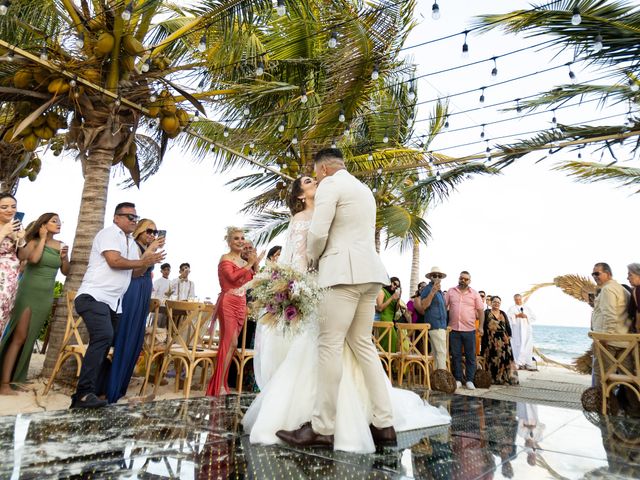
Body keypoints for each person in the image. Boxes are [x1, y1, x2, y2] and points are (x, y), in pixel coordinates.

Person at [271, 148, 450, 452]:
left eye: (315, 174)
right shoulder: (363, 188)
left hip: (342, 275)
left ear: (324, 169)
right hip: (370, 275)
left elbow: (318, 233)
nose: (316, 179)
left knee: (329, 346)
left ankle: (322, 428)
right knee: (364, 347)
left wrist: (313, 261)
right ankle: (384, 424)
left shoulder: (330, 185)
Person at [71, 202, 164, 408]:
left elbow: (135, 273)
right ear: (116, 218)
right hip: (93, 296)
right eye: (129, 216)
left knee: (110, 342)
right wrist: (142, 261)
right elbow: (114, 261)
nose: (133, 220)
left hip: (114, 303)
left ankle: (94, 391)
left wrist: (147, 259)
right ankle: (83, 393)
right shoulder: (109, 233)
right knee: (103, 337)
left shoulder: (130, 243)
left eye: (135, 217)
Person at [0, 213, 69, 395]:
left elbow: (66, 271)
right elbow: (33, 260)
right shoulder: (33, 242)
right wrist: (43, 238)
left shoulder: (61, 245)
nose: (59, 223)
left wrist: (64, 258)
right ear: (43, 225)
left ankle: (16, 379)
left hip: (45, 296)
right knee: (19, 336)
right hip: (28, 292)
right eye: (54, 221)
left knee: (30, 338)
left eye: (59, 221)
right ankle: (4, 383)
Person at [106, 219, 164, 403]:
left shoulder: (143, 247)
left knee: (135, 340)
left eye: (155, 232)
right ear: (139, 230)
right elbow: (136, 272)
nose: (152, 235)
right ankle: (112, 389)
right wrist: (150, 251)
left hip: (143, 292)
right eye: (149, 230)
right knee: (126, 336)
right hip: (132, 290)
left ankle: (121, 387)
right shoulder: (132, 245)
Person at [206, 227, 262, 396]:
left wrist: (255, 263)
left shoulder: (244, 262)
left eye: (242, 238)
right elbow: (231, 278)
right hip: (228, 302)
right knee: (229, 342)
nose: (240, 241)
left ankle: (222, 383)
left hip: (241, 303)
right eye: (236, 238)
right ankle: (217, 386)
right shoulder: (226, 258)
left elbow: (253, 281)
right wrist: (250, 264)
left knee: (233, 344)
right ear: (229, 242)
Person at [590, 262, 631, 387]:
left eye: (597, 273)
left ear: (608, 274)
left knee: (601, 376)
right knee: (626, 379)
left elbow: (610, 315)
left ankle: (601, 405)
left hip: (610, 343)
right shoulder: (621, 288)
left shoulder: (608, 289)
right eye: (593, 274)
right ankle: (631, 406)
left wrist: (605, 338)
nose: (594, 276)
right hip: (624, 341)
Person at [446, 270, 484, 390]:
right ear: (459, 278)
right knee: (456, 356)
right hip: (454, 329)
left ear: (469, 281)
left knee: (470, 356)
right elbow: (443, 307)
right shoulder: (451, 291)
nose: (463, 280)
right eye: (462, 278)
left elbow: (481, 311)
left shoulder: (474, 293)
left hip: (469, 330)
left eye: (466, 279)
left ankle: (469, 380)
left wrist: (481, 326)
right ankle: (457, 379)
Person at [0, 193, 26, 335]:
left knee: (4, 317)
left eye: (13, 206)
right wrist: (3, 232)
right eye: (4, 207)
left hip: (11, 281)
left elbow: (23, 256)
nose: (10, 210)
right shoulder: (6, 228)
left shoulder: (16, 227)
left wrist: (21, 241)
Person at [415, 267, 448, 371]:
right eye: (434, 275)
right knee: (441, 352)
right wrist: (432, 292)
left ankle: (436, 378)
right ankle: (442, 377)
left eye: (439, 275)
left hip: (441, 324)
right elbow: (424, 305)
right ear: (430, 277)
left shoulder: (440, 291)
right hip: (435, 324)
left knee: (436, 353)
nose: (437, 277)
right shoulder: (428, 289)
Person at [482, 296, 519, 385]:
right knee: (493, 359)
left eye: (498, 302)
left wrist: (509, 335)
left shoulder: (503, 313)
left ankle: (503, 378)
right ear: (490, 302)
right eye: (494, 302)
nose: (496, 304)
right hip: (491, 340)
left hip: (503, 340)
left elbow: (507, 325)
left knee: (504, 359)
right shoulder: (486, 312)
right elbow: (483, 325)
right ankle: (493, 378)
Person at [507, 293, 537, 370]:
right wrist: (516, 316)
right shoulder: (512, 308)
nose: (518, 301)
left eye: (519, 299)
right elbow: (508, 318)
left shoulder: (527, 308)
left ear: (521, 299)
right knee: (517, 345)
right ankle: (517, 362)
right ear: (514, 300)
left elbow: (534, 317)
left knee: (527, 345)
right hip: (516, 330)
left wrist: (526, 316)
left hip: (526, 330)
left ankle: (527, 362)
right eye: (516, 300)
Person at [375, 278, 401, 352]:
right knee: (389, 343)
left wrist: (397, 300)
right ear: (389, 282)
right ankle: (385, 361)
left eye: (397, 286)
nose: (395, 286)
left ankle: (389, 362)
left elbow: (395, 311)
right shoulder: (382, 291)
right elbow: (379, 308)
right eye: (394, 284)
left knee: (394, 343)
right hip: (383, 321)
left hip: (390, 322)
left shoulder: (392, 295)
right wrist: (392, 298)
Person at [627, 263, 640, 333]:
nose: (627, 278)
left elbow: (639, 312)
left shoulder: (637, 290)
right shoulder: (634, 290)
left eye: (630, 275)